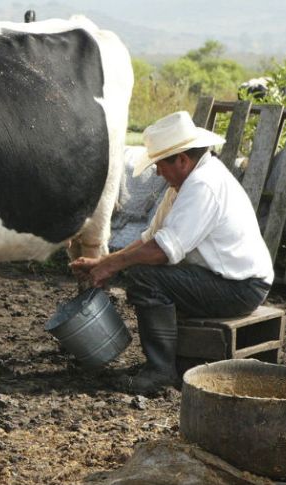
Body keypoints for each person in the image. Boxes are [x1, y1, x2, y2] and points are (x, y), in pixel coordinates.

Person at [70, 111, 274, 396]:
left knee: (145, 277)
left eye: (159, 164)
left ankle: (160, 372)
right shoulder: (184, 185)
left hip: (241, 287)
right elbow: (150, 239)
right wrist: (105, 262)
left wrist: (113, 265)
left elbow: (162, 251)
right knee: (142, 269)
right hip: (226, 279)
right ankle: (169, 362)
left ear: (182, 160)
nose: (157, 172)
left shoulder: (203, 185)